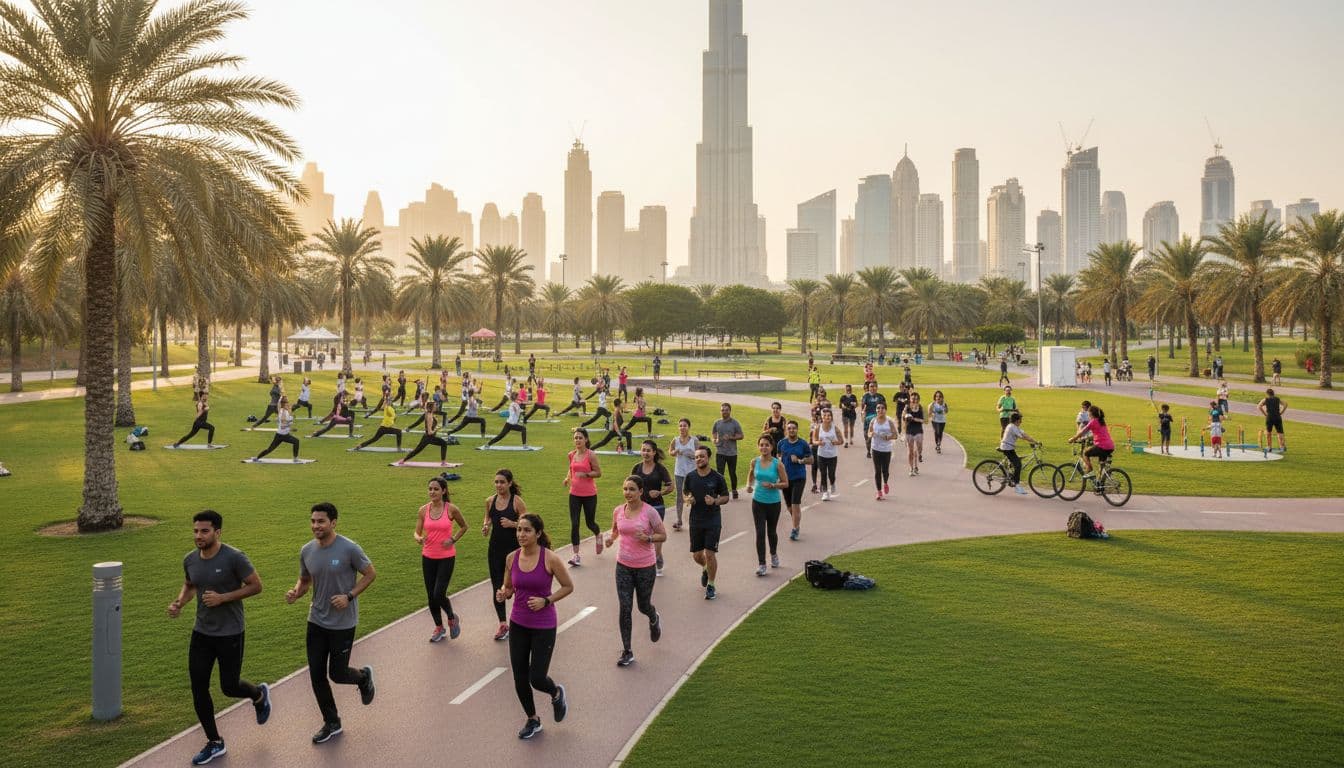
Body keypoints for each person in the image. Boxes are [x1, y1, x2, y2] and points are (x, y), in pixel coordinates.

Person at [168, 510, 270, 767]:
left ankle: (258, 694)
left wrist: (223, 598)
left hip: (230, 633)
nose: (198, 536)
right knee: (198, 687)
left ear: (217, 532)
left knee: (229, 686)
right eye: (195, 531)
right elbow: (191, 585)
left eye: (204, 531)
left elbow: (256, 586)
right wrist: (180, 602)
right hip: (201, 632)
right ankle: (214, 741)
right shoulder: (190, 559)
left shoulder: (234, 557)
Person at [285, 502, 376, 744]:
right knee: (316, 675)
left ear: (333, 522)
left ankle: (363, 677)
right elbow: (304, 581)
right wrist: (296, 592)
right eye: (313, 521)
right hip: (316, 620)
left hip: (343, 623)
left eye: (321, 521)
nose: (316, 525)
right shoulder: (306, 550)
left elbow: (370, 574)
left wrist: (349, 596)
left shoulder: (349, 549)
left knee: (337, 673)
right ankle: (332, 721)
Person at [495, 513, 574, 740]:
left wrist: (546, 600)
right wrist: (503, 593)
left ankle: (555, 692)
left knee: (536, 677)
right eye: (519, 530)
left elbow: (568, 586)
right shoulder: (511, 558)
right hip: (518, 623)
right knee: (519, 677)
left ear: (538, 533)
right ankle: (532, 719)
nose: (521, 534)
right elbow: (509, 587)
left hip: (543, 625)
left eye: (527, 530)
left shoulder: (550, 559)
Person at [604, 476, 667, 667]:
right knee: (625, 607)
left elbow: (662, 535)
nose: (628, 493)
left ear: (640, 491)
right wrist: (611, 539)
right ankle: (627, 650)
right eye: (625, 489)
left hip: (645, 567)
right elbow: (616, 530)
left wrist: (648, 538)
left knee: (642, 605)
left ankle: (653, 617)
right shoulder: (618, 511)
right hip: (623, 565)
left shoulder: (650, 513)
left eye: (632, 489)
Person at [415, 477, 468, 643]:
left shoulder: (451, 509)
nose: (432, 492)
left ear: (443, 491)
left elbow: (464, 526)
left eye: (436, 489)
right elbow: (416, 532)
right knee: (431, 596)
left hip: (446, 557)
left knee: (439, 593)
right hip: (428, 556)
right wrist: (418, 538)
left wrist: (452, 539)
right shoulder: (423, 510)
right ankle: (439, 627)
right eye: (430, 489)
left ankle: (452, 618)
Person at [482, 470, 525, 641]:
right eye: (496, 482)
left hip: (514, 551)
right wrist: (486, 526)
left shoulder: (517, 502)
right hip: (495, 550)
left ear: (509, 483)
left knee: (517, 586)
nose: (499, 485)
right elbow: (487, 518)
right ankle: (503, 624)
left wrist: (512, 524)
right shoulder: (490, 501)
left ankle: (521, 620)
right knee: (497, 586)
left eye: (502, 482)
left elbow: (526, 524)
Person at [683, 445, 730, 600]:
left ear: (708, 458)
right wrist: (688, 498)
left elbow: (725, 497)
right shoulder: (690, 477)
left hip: (713, 520)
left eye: (702, 456)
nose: (699, 459)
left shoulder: (717, 477)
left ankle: (711, 585)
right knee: (697, 555)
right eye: (696, 457)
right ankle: (705, 568)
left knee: (710, 553)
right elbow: (685, 493)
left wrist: (715, 501)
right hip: (696, 520)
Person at [630, 440, 673, 575]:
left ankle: (657, 557)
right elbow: (630, 486)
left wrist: (660, 492)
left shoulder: (660, 469)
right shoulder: (636, 468)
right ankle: (644, 560)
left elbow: (670, 486)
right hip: (640, 507)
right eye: (643, 450)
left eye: (648, 450)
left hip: (657, 507)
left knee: (656, 535)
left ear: (654, 452)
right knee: (641, 534)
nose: (645, 453)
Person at [745, 435, 786, 576]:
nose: (764, 447)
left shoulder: (777, 464)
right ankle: (762, 564)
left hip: (774, 503)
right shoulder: (754, 462)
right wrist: (748, 485)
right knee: (760, 533)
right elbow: (751, 474)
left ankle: (774, 554)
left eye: (766, 445)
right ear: (758, 446)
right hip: (758, 502)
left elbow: (786, 483)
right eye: (761, 445)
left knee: (771, 532)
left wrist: (773, 485)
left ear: (771, 447)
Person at [563, 429, 604, 566]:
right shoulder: (571, 454)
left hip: (589, 494)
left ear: (586, 439)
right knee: (574, 524)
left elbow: (598, 473)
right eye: (575, 438)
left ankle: (598, 534)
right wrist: (567, 478)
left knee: (589, 523)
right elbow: (571, 469)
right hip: (574, 493)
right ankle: (576, 555)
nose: (577, 440)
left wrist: (586, 475)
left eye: (580, 438)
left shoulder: (591, 455)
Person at [776, 420, 812, 542]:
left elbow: (811, 460)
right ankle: (796, 522)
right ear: (786, 430)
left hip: (799, 478)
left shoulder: (803, 444)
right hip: (785, 479)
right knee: (789, 506)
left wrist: (800, 461)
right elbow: (778, 459)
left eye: (793, 428)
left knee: (795, 504)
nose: (791, 430)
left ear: (797, 429)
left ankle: (795, 529)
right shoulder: (781, 443)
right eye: (789, 428)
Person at [1068, 405, 1115, 477]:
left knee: (1085, 453)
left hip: (1102, 446)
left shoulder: (1093, 422)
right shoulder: (1101, 421)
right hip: (1110, 446)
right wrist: (1084, 438)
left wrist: (1073, 439)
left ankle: (1090, 469)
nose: (1088, 415)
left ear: (1091, 414)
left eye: (1088, 413)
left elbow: (1082, 432)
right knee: (1101, 466)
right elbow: (1097, 434)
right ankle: (1100, 484)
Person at [999, 412, 1040, 495]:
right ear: (1016, 420)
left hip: (1010, 448)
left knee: (1016, 461)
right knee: (1018, 464)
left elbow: (1024, 434)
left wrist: (1035, 441)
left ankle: (1011, 477)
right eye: (1020, 420)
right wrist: (1034, 442)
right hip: (1007, 448)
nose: (1021, 421)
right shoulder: (1012, 427)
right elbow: (1023, 437)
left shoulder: (1015, 427)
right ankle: (1016, 485)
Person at [668, 418, 698, 532]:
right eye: (680, 426)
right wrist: (674, 452)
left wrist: (690, 454)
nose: (682, 428)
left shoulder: (694, 440)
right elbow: (670, 451)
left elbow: (699, 455)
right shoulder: (675, 440)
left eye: (684, 425)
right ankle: (679, 520)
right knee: (679, 497)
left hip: (692, 473)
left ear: (688, 427)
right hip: (679, 472)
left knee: (693, 496)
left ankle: (694, 519)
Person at [711, 402, 744, 498]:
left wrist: (730, 437)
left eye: (726, 410)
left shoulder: (735, 423)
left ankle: (734, 490)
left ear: (730, 411)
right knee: (719, 473)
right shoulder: (717, 422)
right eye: (722, 410)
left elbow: (741, 435)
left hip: (732, 453)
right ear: (720, 411)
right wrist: (714, 439)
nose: (724, 412)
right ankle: (720, 491)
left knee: (732, 472)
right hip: (720, 452)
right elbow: (713, 432)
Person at [253, 397, 300, 461]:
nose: (289, 405)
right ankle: (257, 458)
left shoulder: (283, 410)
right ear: (284, 405)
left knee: (296, 441)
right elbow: (283, 424)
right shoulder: (283, 412)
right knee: (270, 449)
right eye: (287, 404)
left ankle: (295, 458)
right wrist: (289, 424)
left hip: (285, 434)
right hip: (281, 435)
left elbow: (279, 405)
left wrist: (281, 397)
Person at [868, 402, 896, 500]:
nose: (880, 410)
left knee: (885, 471)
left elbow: (895, 435)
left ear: (885, 410)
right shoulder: (873, 421)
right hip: (875, 448)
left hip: (886, 449)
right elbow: (869, 432)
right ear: (876, 410)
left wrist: (888, 437)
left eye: (882, 408)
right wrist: (870, 435)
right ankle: (879, 492)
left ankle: (885, 483)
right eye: (878, 408)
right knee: (877, 471)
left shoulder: (889, 422)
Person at [813, 407, 840, 501]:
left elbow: (841, 441)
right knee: (823, 473)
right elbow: (814, 440)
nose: (826, 417)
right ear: (822, 417)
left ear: (831, 417)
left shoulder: (835, 428)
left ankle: (832, 483)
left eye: (829, 415)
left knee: (831, 474)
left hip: (832, 455)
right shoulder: (818, 428)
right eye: (824, 415)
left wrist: (835, 442)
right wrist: (818, 443)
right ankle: (825, 492)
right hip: (821, 455)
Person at [860, 380, 886, 458]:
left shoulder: (881, 397)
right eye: (871, 386)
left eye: (874, 386)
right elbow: (862, 409)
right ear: (868, 387)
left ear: (877, 387)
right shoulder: (865, 396)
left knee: (878, 436)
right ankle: (869, 451)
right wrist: (863, 416)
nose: (873, 388)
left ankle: (878, 451)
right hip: (868, 419)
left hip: (878, 420)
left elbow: (884, 408)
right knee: (867, 437)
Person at [904, 392, 926, 475]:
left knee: (918, 448)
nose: (914, 400)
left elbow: (924, 420)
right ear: (910, 399)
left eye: (916, 399)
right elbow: (903, 418)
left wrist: (914, 419)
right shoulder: (907, 408)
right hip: (909, 431)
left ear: (919, 400)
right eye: (913, 398)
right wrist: (905, 416)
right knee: (910, 451)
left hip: (918, 430)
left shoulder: (921, 408)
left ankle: (920, 454)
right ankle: (912, 468)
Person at [839, 383, 858, 447]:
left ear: (851, 389)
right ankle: (846, 441)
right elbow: (840, 405)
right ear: (845, 390)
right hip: (845, 413)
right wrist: (842, 406)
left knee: (851, 427)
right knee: (846, 428)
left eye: (849, 389)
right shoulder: (843, 397)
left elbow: (856, 404)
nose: (848, 390)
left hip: (852, 413)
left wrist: (854, 404)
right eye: (847, 389)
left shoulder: (853, 396)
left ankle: (851, 439)